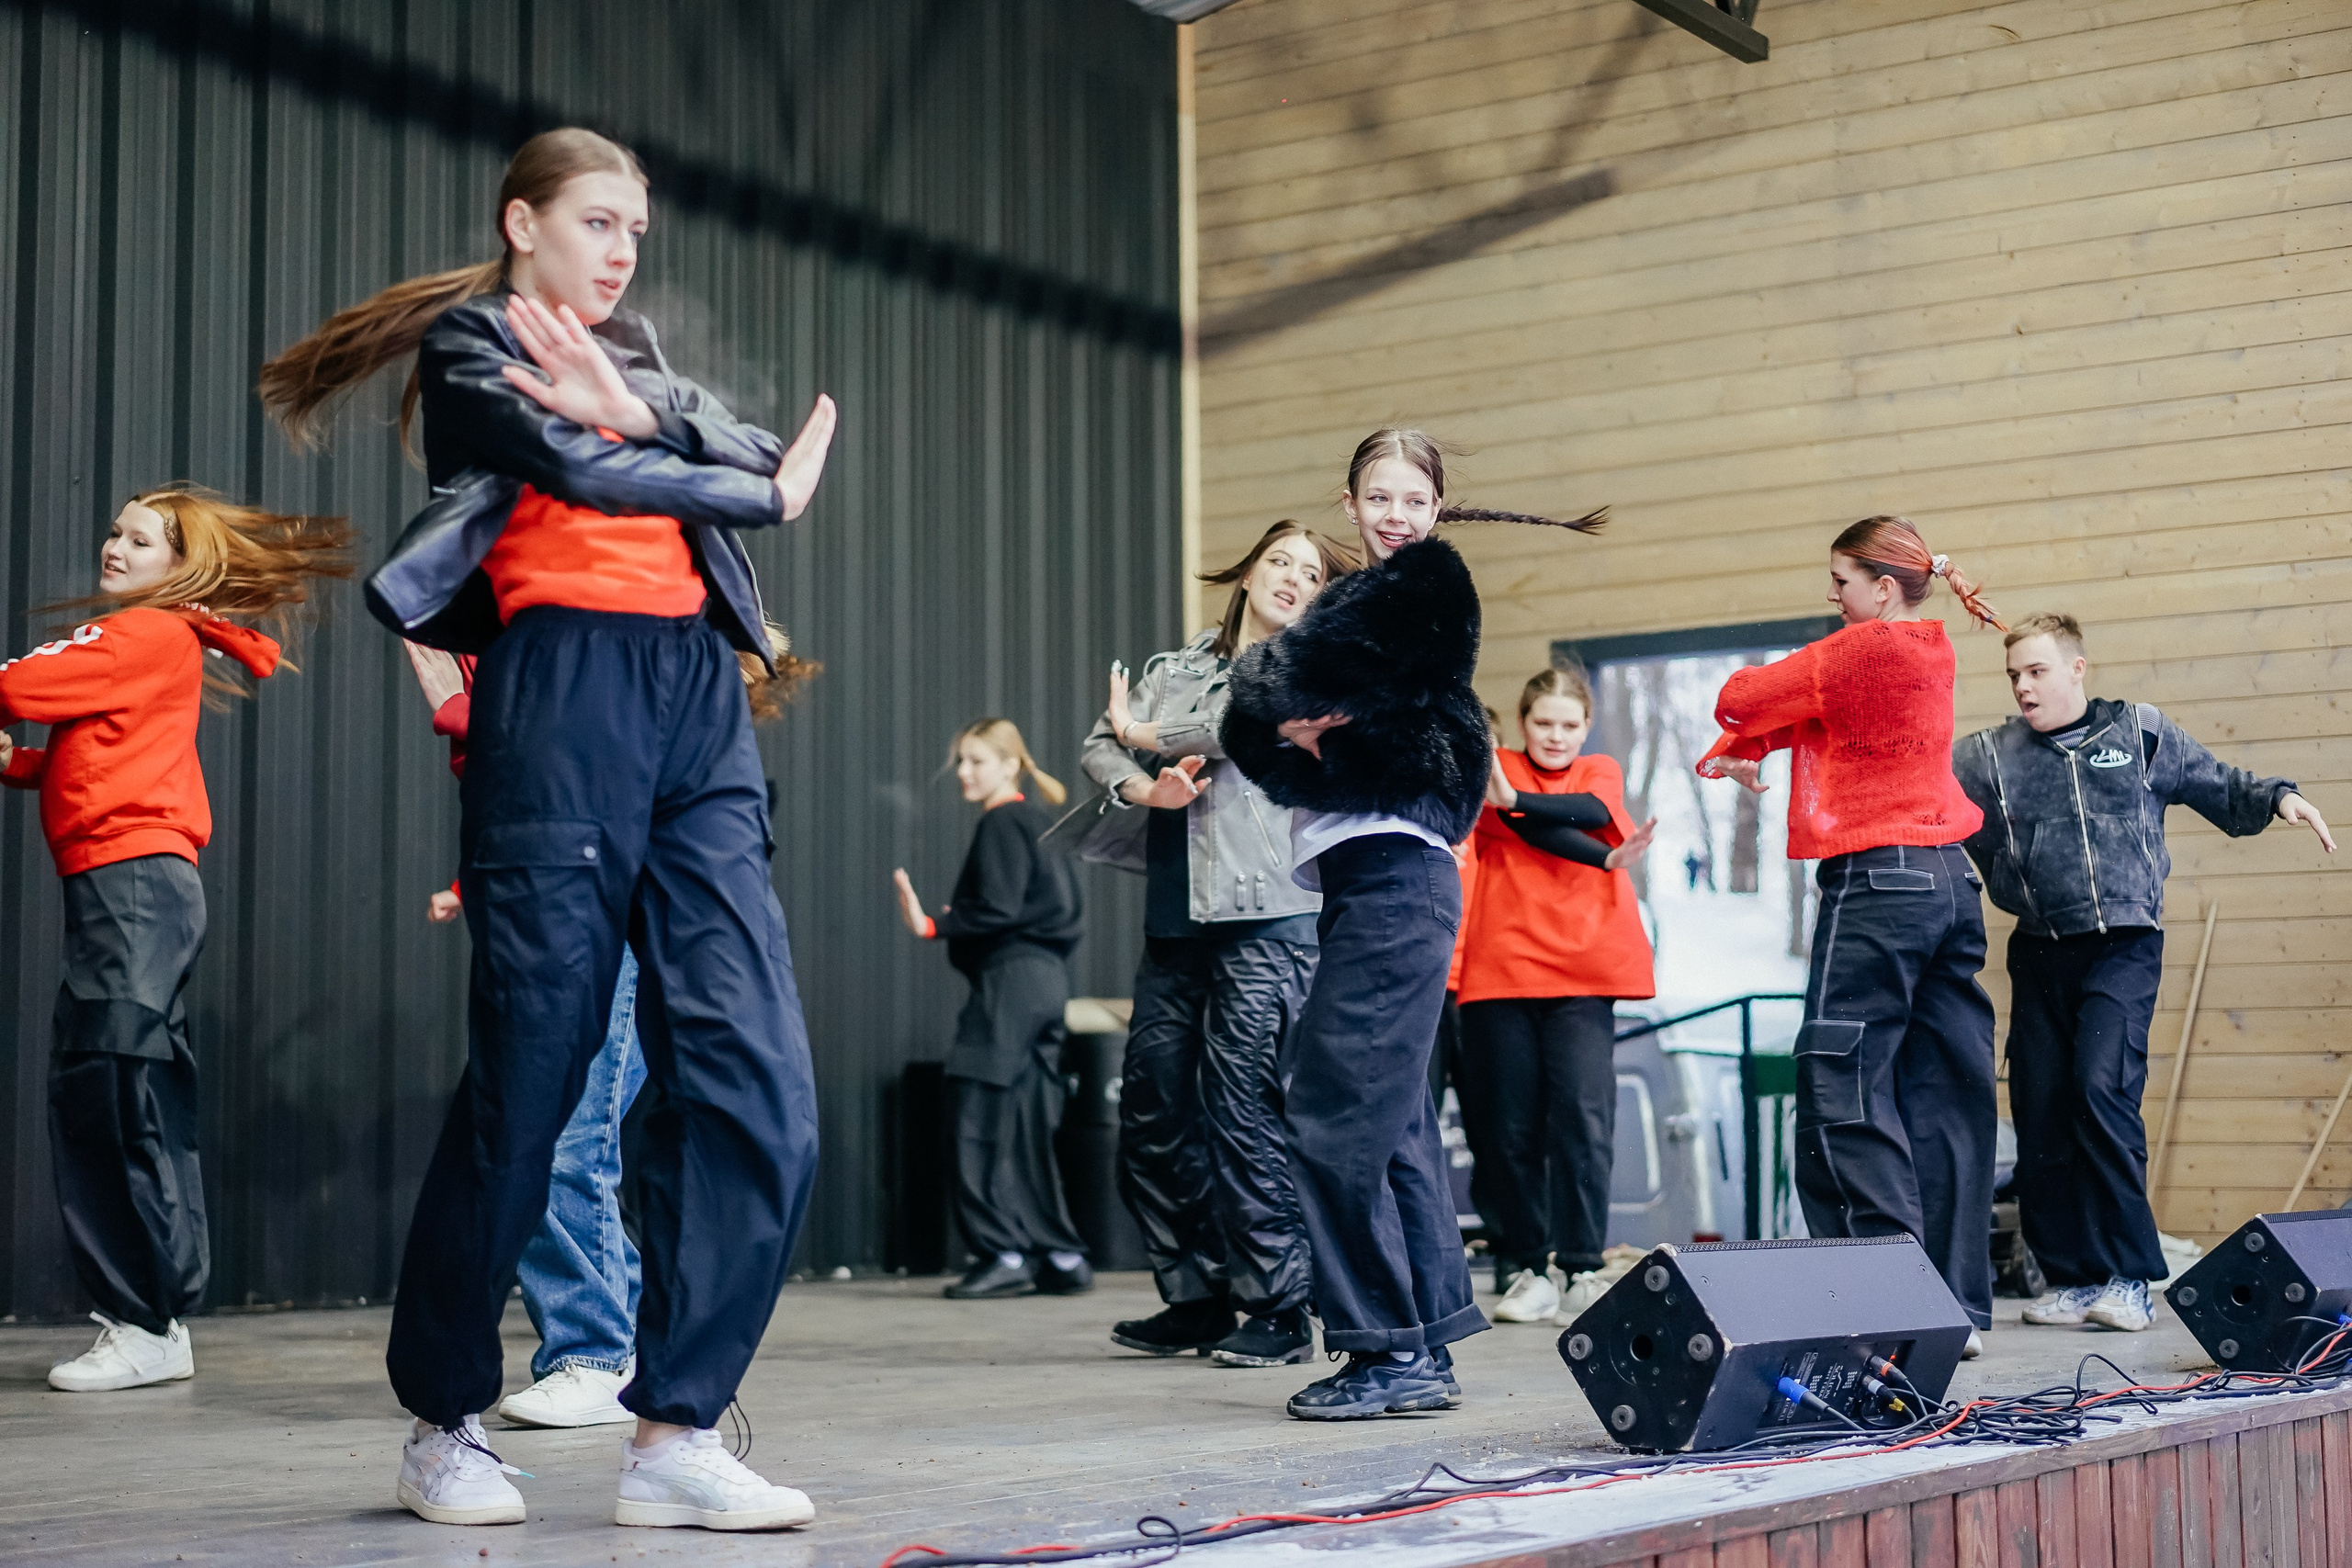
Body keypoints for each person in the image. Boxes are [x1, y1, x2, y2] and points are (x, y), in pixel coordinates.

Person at [263, 127, 835, 1530]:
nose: (623, 247)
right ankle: (444, 1418)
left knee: (758, 1079)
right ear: (524, 223)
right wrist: (731, 477)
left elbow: (733, 434)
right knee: (532, 1081)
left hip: (696, 699)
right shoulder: (474, 345)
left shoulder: (631, 355)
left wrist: (660, 423)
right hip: (560, 695)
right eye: (596, 221)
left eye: (636, 225)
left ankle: (676, 1428)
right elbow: (618, 476)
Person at [1222, 426, 1604, 1420]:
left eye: (1412, 499)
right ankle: (1423, 1341)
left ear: (1436, 511)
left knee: (1330, 1112)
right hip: (1366, 878)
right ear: (1348, 504)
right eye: (1377, 498)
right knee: (1385, 1123)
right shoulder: (1359, 601)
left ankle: (1386, 1349)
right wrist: (1291, 721)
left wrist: (1287, 709)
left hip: (1396, 877)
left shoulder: (1422, 586)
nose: (1396, 515)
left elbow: (1265, 693)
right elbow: (1259, 724)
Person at [1, 488, 349, 1392]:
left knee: (113, 1086)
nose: (114, 547)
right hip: (128, 888)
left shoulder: (142, 635)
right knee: (113, 1083)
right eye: (115, 531)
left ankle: (148, 1319)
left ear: (178, 564)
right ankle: (148, 1316)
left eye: (139, 538)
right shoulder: (150, 643)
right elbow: (97, 753)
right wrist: (23, 765)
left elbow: (18, 684)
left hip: (132, 890)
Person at [1953, 612, 2334, 1333]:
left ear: (2077, 668)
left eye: (2037, 670)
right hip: (2038, 950)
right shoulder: (1988, 757)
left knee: (2102, 1092)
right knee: (2040, 1112)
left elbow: (2217, 782)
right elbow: (1919, 796)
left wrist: (2280, 796)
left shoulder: (2137, 732)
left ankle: (2131, 1278)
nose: (2024, 686)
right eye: (2013, 676)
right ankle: (2070, 1278)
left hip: (2124, 944)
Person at [1696, 515, 2003, 1354]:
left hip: (1879, 884)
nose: (1831, 597)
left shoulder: (1862, 649)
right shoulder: (1927, 650)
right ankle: (1952, 1306)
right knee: (1942, 1096)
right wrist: (1745, 748)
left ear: (1881, 585)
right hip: (1948, 879)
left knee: (1841, 1083)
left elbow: (1745, 694)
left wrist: (1739, 732)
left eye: (1840, 581)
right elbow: (1829, 720)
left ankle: (1890, 1298)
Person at [1080, 521, 1354, 1368]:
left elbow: (1231, 721)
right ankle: (1194, 1293)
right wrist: (1141, 786)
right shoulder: (1172, 667)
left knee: (1244, 1107)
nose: (1290, 579)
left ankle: (1277, 1303)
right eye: (1279, 561)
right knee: (1154, 1106)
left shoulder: (1308, 671)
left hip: (1269, 916)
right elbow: (1098, 742)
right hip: (1175, 916)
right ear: (1246, 572)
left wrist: (1147, 735)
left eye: (1310, 573)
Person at [1455, 666, 1657, 1326]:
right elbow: (1523, 830)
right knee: (1507, 1126)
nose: (1556, 736)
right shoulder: (1498, 766)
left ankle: (1581, 1264)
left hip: (1584, 971)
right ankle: (1527, 1262)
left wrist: (1512, 795)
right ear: (1522, 722)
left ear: (1586, 727)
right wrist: (1599, 857)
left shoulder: (1596, 770)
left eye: (1569, 724)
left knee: (1581, 1118)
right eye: (1544, 722)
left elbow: (1593, 814)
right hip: (1501, 969)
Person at [893, 720, 1091, 1300]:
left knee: (976, 1115)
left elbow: (1000, 907)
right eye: (961, 762)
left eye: (976, 760)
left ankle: (1002, 1251)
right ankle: (1059, 1253)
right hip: (1046, 985)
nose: (963, 772)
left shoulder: (1004, 821)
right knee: (1027, 1120)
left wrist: (935, 924)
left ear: (1010, 765)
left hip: (1011, 984)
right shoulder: (1040, 822)